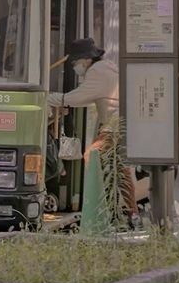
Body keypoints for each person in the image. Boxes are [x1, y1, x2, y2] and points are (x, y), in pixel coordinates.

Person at [48, 37, 137, 218]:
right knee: (120, 169)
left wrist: (46, 97)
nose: (75, 66)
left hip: (115, 125)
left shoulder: (97, 72)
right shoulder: (106, 68)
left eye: (76, 62)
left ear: (87, 59)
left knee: (92, 156)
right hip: (120, 124)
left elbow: (76, 98)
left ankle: (96, 210)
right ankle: (129, 213)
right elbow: (87, 98)